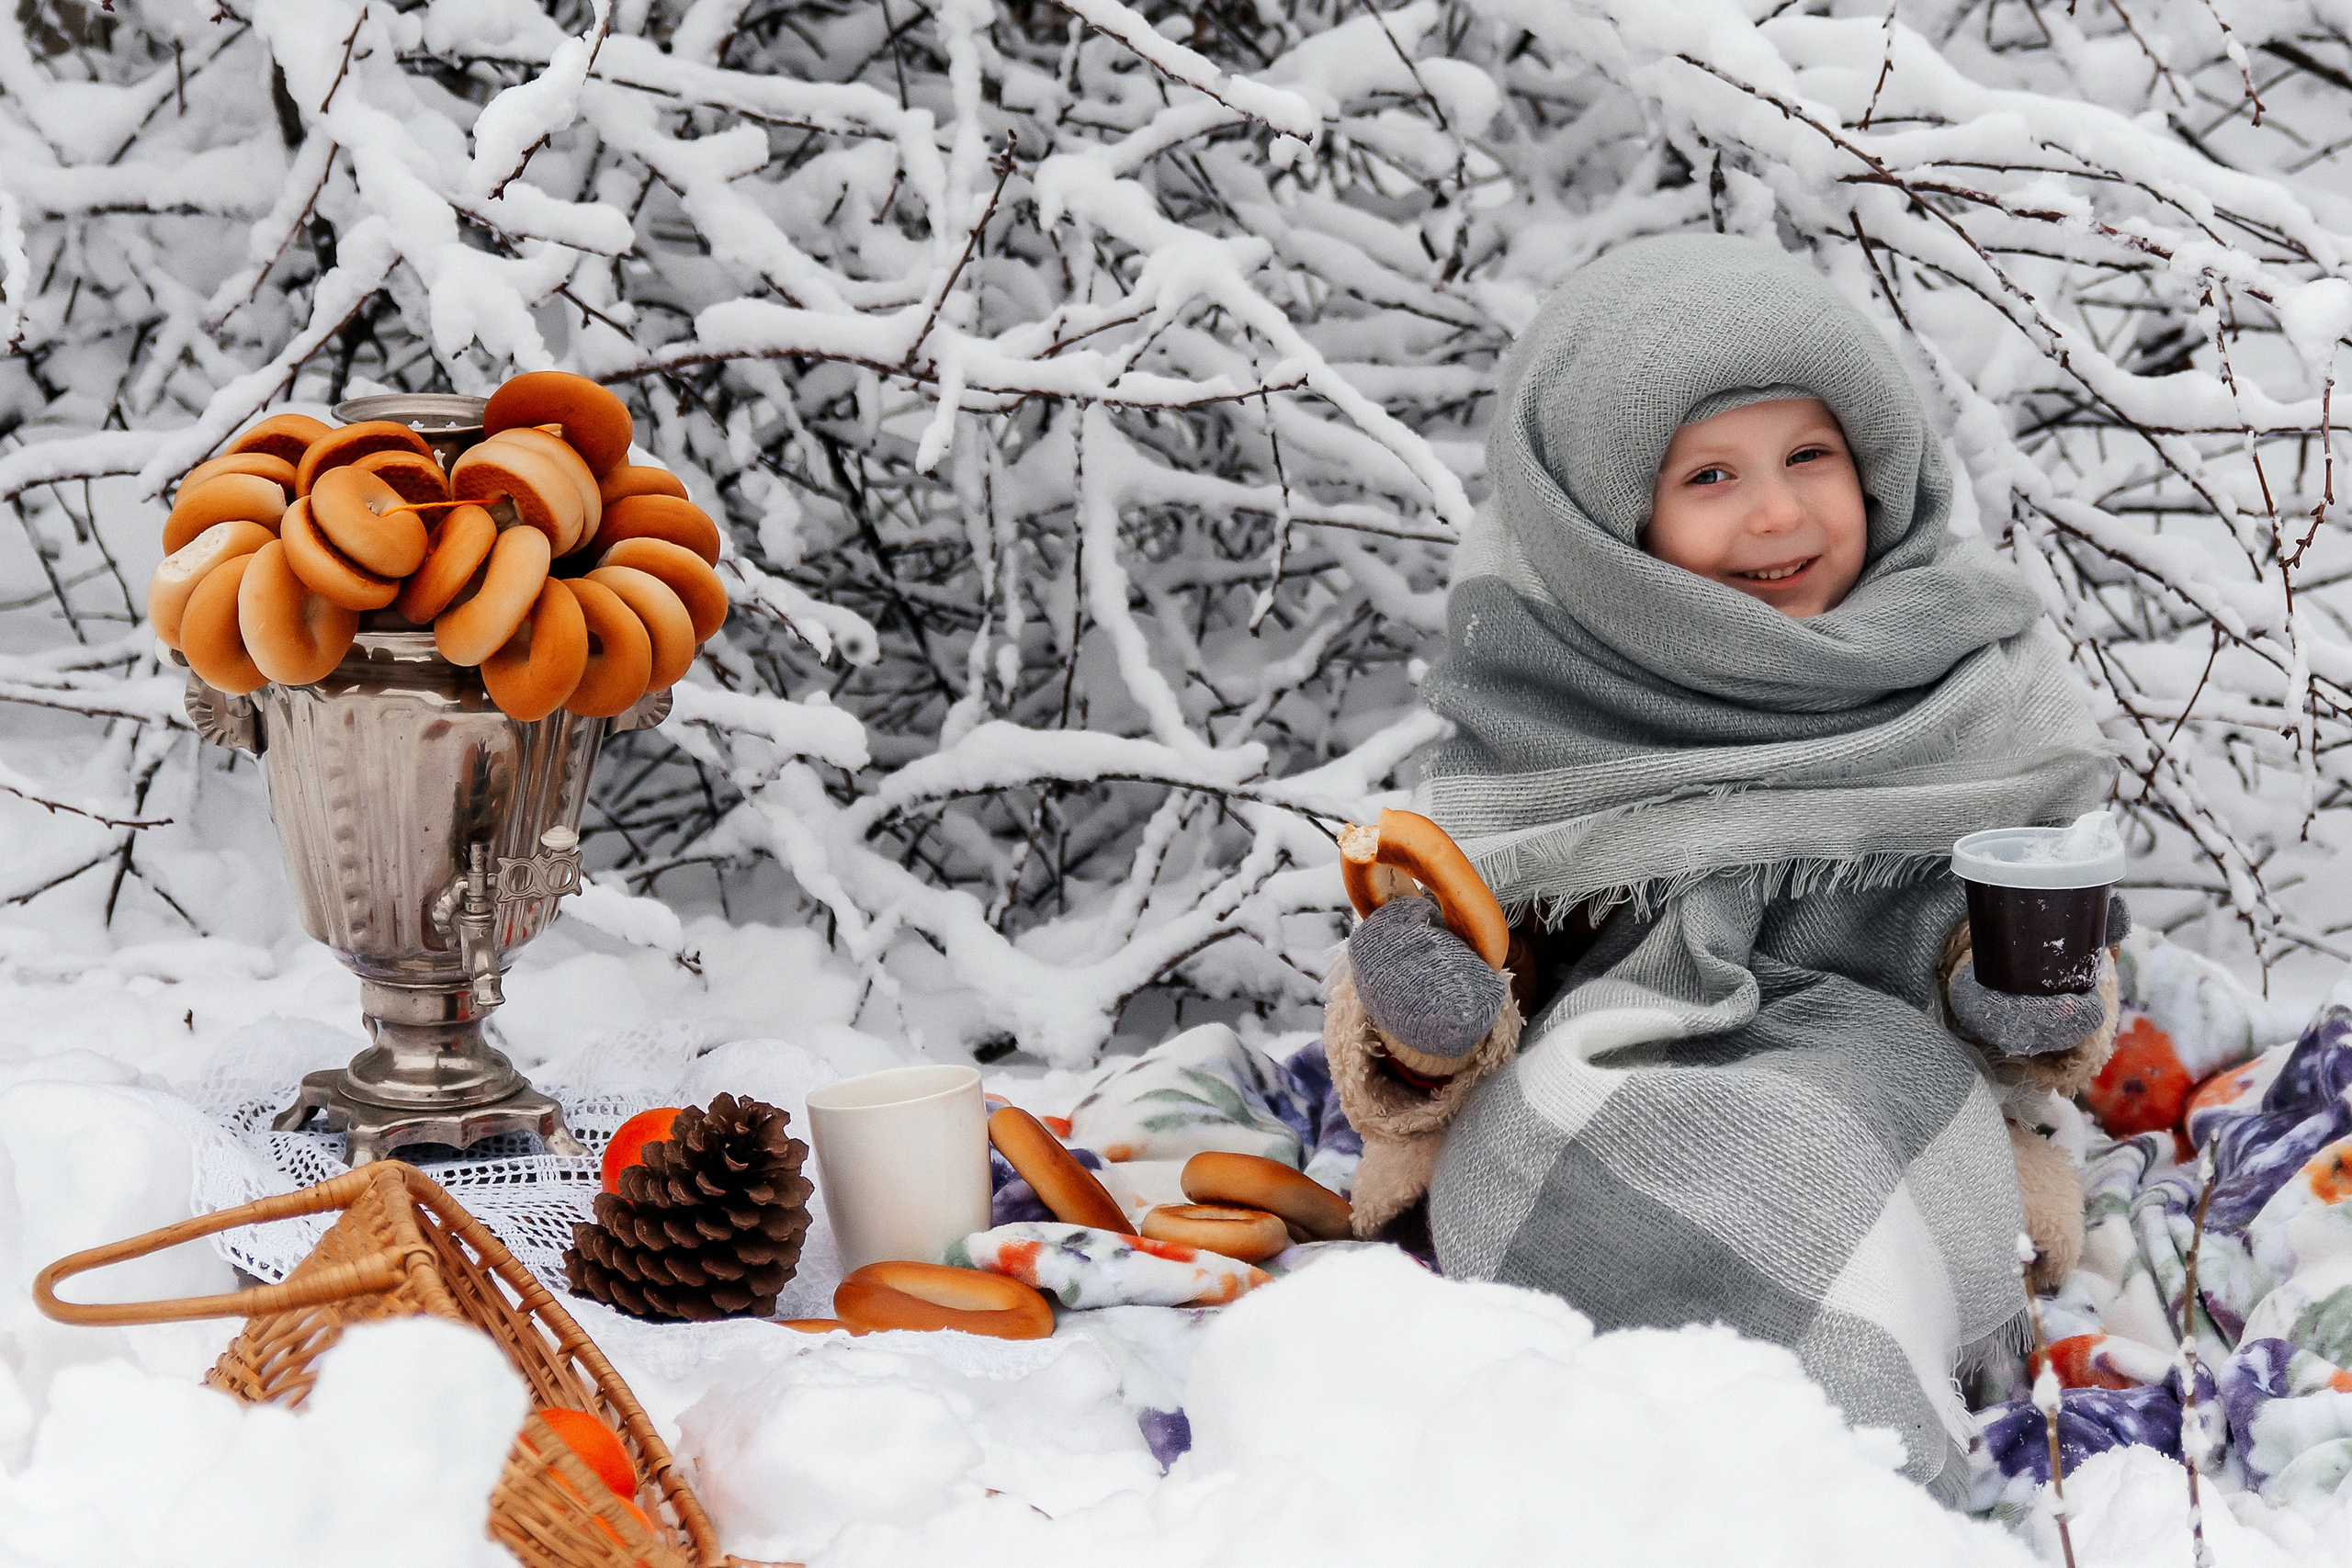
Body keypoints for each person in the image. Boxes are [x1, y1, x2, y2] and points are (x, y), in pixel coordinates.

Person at [1326, 231, 2121, 1504]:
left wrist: (2028, 999)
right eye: (1709, 475)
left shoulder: (1959, 678)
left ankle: (1845, 1480)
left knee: (1827, 1162)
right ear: (1608, 526)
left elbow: (2013, 924)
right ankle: (1611, 1460)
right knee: (1551, 1131)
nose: (1778, 514)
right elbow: (1485, 939)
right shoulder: (1554, 693)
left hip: (1884, 1071)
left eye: (1811, 456)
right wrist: (1426, 1021)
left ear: (1878, 462)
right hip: (1604, 1067)